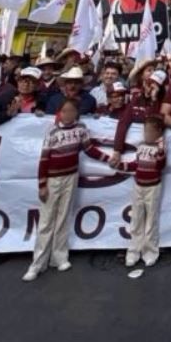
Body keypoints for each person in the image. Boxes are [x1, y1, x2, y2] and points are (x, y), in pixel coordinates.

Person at [23, 98, 110, 282]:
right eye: (64, 111)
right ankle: (37, 263)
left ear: (76, 113)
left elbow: (89, 149)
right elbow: (44, 159)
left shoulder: (81, 129)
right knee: (46, 220)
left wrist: (108, 158)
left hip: (71, 176)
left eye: (71, 111)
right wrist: (42, 184)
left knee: (63, 217)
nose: (68, 114)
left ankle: (59, 257)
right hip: (53, 179)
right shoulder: (52, 131)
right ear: (59, 113)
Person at [111, 114, 168, 270]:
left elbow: (161, 165)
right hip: (138, 186)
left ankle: (150, 252)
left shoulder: (161, 148)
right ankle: (133, 251)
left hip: (153, 187)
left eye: (150, 131)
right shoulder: (141, 146)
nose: (147, 134)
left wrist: (161, 145)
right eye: (145, 131)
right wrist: (119, 165)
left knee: (151, 220)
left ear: (158, 133)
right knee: (136, 219)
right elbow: (135, 165)